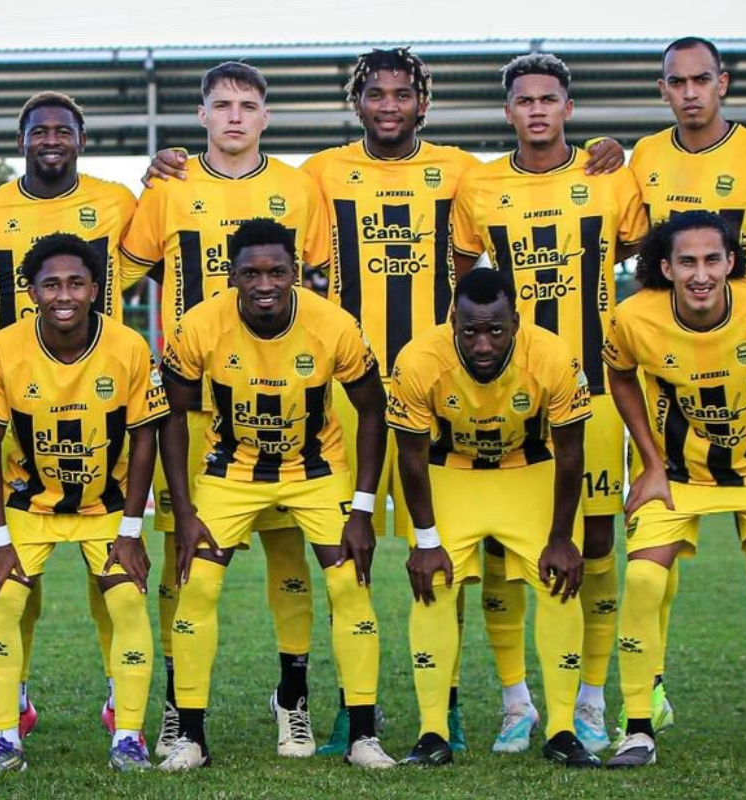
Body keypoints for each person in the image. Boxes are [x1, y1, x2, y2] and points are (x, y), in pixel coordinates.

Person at [140, 47, 626, 755]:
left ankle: (453, 710)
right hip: (349, 390)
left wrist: (602, 153)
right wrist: (168, 165)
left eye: (403, 94)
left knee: (457, 551)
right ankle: (348, 711)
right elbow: (264, 230)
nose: (390, 105)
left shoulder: (461, 172)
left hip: (443, 386)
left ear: (423, 103)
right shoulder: (318, 174)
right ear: (357, 102)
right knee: (348, 552)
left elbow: (490, 240)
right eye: (376, 94)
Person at [119, 62, 329, 758]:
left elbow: (323, 282)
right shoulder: (169, 187)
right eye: (221, 105)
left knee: (287, 551)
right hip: (191, 400)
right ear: (202, 115)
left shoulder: (298, 188)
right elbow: (122, 275)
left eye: (247, 105)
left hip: (280, 395)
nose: (234, 116)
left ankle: (293, 698)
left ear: (266, 116)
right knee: (183, 553)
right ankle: (178, 705)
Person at [452, 52, 647, 754]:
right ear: (508, 111)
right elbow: (462, 292)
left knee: (594, 542)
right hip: (507, 394)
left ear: (568, 107)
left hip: (593, 386)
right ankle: (516, 703)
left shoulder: (610, 176)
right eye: (524, 100)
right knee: (501, 548)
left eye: (548, 99)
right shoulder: (480, 187)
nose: (536, 110)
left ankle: (591, 698)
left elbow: (647, 258)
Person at [157, 218, 393, 771]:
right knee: (197, 586)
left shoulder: (333, 325)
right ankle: (191, 736)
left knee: (350, 585)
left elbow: (372, 409)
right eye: (252, 273)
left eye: (277, 272)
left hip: (315, 470)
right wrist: (185, 511)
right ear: (232, 275)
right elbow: (173, 414)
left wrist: (361, 509)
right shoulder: (200, 325)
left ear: (296, 272)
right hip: (232, 471)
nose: (265, 284)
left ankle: (363, 735)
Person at [627, 36, 746, 733]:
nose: (690, 93)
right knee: (654, 561)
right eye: (677, 82)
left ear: (722, 83)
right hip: (670, 385)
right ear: (663, 90)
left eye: (701, 80)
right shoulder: (645, 157)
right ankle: (650, 694)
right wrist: (601, 156)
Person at [602, 210, 746, 769]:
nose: (700, 274)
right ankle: (639, 725)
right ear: (666, 268)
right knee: (643, 581)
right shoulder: (633, 317)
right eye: (687, 262)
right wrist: (650, 463)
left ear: (730, 263)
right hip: (675, 473)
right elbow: (620, 376)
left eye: (711, 260)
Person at [0, 91, 139, 739]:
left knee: (109, 568)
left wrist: (173, 167)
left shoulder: (118, 202)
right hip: (17, 408)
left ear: (81, 140)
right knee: (16, 578)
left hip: (101, 404)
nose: (52, 140)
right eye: (40, 131)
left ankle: (121, 695)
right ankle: (17, 695)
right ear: (22, 140)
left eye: (64, 130)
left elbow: (163, 252)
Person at [0, 233, 166, 773]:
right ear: (32, 291)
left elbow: (145, 438)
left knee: (127, 602)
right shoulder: (2, 348)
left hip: (106, 506)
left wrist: (131, 530)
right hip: (28, 505)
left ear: (96, 289)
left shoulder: (128, 346)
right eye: (52, 284)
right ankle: (5, 738)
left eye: (77, 283)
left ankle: (127, 735)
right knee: (4, 602)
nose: (65, 295)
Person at [388, 268, 597, 767]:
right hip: (453, 472)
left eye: (496, 331)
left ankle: (563, 730)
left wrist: (561, 538)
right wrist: (426, 540)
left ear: (516, 324)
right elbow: (411, 458)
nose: (483, 345)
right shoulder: (417, 360)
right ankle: (432, 733)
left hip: (527, 470)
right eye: (470, 331)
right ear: (452, 322)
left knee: (560, 583)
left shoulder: (552, 356)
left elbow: (571, 453)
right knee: (432, 585)